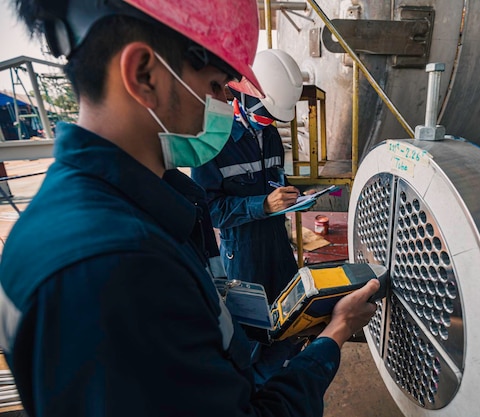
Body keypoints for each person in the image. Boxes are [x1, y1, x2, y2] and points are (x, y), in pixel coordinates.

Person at [0, 1, 380, 417]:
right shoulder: (114, 266)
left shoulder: (139, 215)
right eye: (216, 85)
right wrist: (336, 332)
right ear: (145, 74)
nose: (222, 103)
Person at [192, 49, 305, 388]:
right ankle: (256, 396)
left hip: (277, 244)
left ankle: (288, 384)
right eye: (267, 114)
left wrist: (288, 196)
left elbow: (272, 181)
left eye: (275, 118)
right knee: (252, 332)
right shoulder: (213, 141)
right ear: (243, 91)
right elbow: (209, 209)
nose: (270, 123)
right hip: (242, 253)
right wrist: (261, 205)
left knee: (289, 317)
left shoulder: (269, 135)